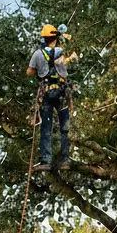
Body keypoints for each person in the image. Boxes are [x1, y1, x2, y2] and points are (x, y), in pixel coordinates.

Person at [26, 24, 76, 170]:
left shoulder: (37, 54)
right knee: (64, 128)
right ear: (55, 38)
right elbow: (66, 63)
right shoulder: (61, 52)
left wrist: (39, 67)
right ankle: (65, 160)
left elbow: (29, 72)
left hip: (46, 93)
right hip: (61, 93)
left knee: (46, 127)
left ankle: (46, 161)